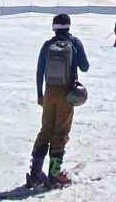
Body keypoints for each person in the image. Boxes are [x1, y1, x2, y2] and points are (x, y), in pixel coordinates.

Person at [28, 13, 89, 188]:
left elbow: (39, 71)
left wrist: (40, 94)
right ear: (69, 26)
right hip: (67, 94)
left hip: (49, 93)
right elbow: (85, 67)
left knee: (46, 130)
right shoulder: (74, 43)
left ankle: (35, 174)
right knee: (60, 133)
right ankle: (54, 175)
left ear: (54, 28)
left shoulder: (47, 45)